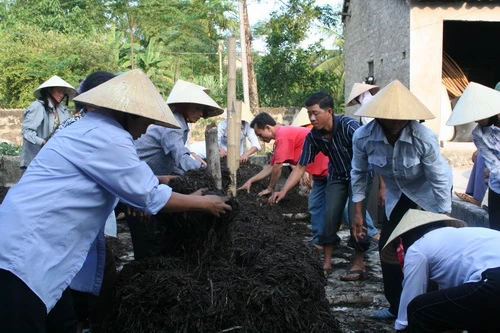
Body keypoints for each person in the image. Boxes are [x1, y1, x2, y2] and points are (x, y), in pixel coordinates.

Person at [0, 69, 232, 332]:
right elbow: (148, 196)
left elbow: (117, 177)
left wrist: (160, 179)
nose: (145, 131)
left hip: (34, 247)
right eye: (145, 121)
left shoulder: (90, 127)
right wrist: (205, 203)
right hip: (26, 253)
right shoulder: (110, 136)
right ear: (129, 113)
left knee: (63, 322)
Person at [351, 80, 453, 319]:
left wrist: (444, 216)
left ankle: (427, 307)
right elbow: (358, 173)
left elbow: (438, 178)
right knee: (388, 249)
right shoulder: (363, 137)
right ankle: (396, 307)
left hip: (429, 194)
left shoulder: (423, 137)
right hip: (398, 195)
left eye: (402, 117)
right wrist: (357, 212)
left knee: (428, 251)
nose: (397, 122)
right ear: (379, 116)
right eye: (391, 117)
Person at [269, 92, 371, 281]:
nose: (312, 118)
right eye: (309, 114)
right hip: (337, 175)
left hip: (361, 177)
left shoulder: (350, 128)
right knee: (330, 214)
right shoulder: (314, 136)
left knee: (357, 217)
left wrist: (382, 187)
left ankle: (358, 262)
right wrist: (283, 191)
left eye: (316, 113)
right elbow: (300, 167)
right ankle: (327, 261)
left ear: (329, 111)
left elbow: (372, 155)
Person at [129, 79, 224, 260]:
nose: (201, 113)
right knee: (146, 236)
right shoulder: (171, 125)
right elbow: (180, 157)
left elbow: (178, 159)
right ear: (183, 106)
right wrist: (207, 175)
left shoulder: (178, 123)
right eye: (196, 108)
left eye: (202, 110)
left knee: (154, 230)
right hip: (137, 183)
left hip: (149, 179)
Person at [55, 71, 118, 332]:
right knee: (91, 271)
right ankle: (90, 320)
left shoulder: (74, 124)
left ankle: (86, 319)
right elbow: (127, 181)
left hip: (75, 213)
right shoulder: (94, 129)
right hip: (72, 217)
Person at [381, 209, 500, 333]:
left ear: (411, 236)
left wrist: (402, 327)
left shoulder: (418, 248)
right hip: (490, 284)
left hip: (493, 280)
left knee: (418, 310)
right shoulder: (464, 236)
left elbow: (411, 296)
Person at [447, 81, 500, 230]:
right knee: (496, 230)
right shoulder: (478, 134)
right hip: (498, 186)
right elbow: (493, 164)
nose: (477, 119)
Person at [237, 112, 312, 197]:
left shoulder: (282, 136)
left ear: (268, 128)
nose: (261, 139)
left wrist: (270, 188)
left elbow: (277, 167)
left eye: (260, 135)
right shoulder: (282, 135)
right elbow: (271, 166)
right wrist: (250, 181)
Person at [20, 75, 76, 169]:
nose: (61, 95)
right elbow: (26, 132)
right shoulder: (37, 107)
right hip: (35, 160)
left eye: (63, 92)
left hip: (54, 159)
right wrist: (43, 142)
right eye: (59, 91)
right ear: (49, 90)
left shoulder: (63, 110)